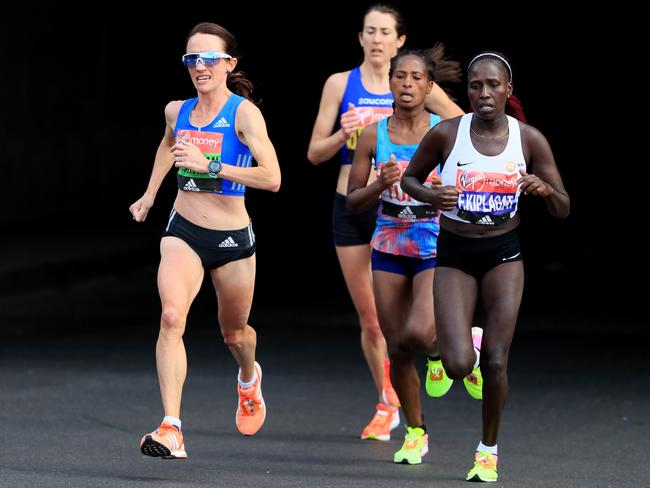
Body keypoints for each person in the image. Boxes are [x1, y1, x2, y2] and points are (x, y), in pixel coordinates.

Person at [401, 52, 570, 482]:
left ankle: (487, 451)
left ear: (508, 90)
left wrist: (545, 189)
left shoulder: (528, 139)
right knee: (458, 366)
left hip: (503, 255)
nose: (484, 93)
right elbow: (410, 179)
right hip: (455, 254)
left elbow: (563, 207)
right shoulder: (447, 134)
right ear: (469, 92)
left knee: (497, 362)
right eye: (476, 86)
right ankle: (467, 346)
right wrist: (431, 197)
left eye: (493, 85)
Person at [307, 3, 463, 440]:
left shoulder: (415, 82)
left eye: (385, 32)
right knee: (373, 320)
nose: (376, 38)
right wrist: (346, 132)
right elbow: (314, 154)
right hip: (354, 206)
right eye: (369, 30)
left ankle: (439, 349)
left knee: (414, 325)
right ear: (360, 37)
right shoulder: (341, 83)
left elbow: (460, 126)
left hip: (418, 213)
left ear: (398, 42)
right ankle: (387, 402)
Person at [129, 22, 281, 459]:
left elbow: (272, 178)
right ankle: (171, 426)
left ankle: (249, 379)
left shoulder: (244, 114)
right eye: (192, 59)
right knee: (172, 317)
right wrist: (150, 194)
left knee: (234, 334)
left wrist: (213, 167)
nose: (200, 66)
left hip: (232, 236)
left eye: (210, 58)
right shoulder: (177, 110)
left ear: (230, 64)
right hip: (184, 230)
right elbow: (167, 145)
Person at [347, 49, 453, 464]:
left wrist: (447, 188)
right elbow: (353, 200)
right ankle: (415, 431)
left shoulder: (444, 132)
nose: (407, 84)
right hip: (389, 241)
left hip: (432, 239)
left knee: (420, 334)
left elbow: (466, 190)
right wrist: (380, 184)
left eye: (416, 78)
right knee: (397, 346)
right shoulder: (374, 135)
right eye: (400, 77)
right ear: (389, 82)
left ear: (429, 87)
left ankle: (441, 351)